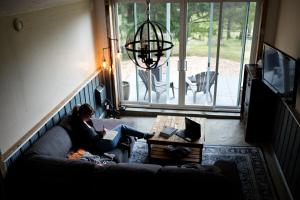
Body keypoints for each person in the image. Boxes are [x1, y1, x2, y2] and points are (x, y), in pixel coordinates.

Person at [71, 103, 154, 153]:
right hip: (101, 145)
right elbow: (86, 142)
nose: (91, 116)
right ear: (82, 114)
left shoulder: (88, 121)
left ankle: (123, 142)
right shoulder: (79, 126)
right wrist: (101, 137)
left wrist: (102, 132)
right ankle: (144, 135)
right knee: (122, 127)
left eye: (91, 114)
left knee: (119, 132)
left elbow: (95, 132)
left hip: (102, 140)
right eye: (89, 115)